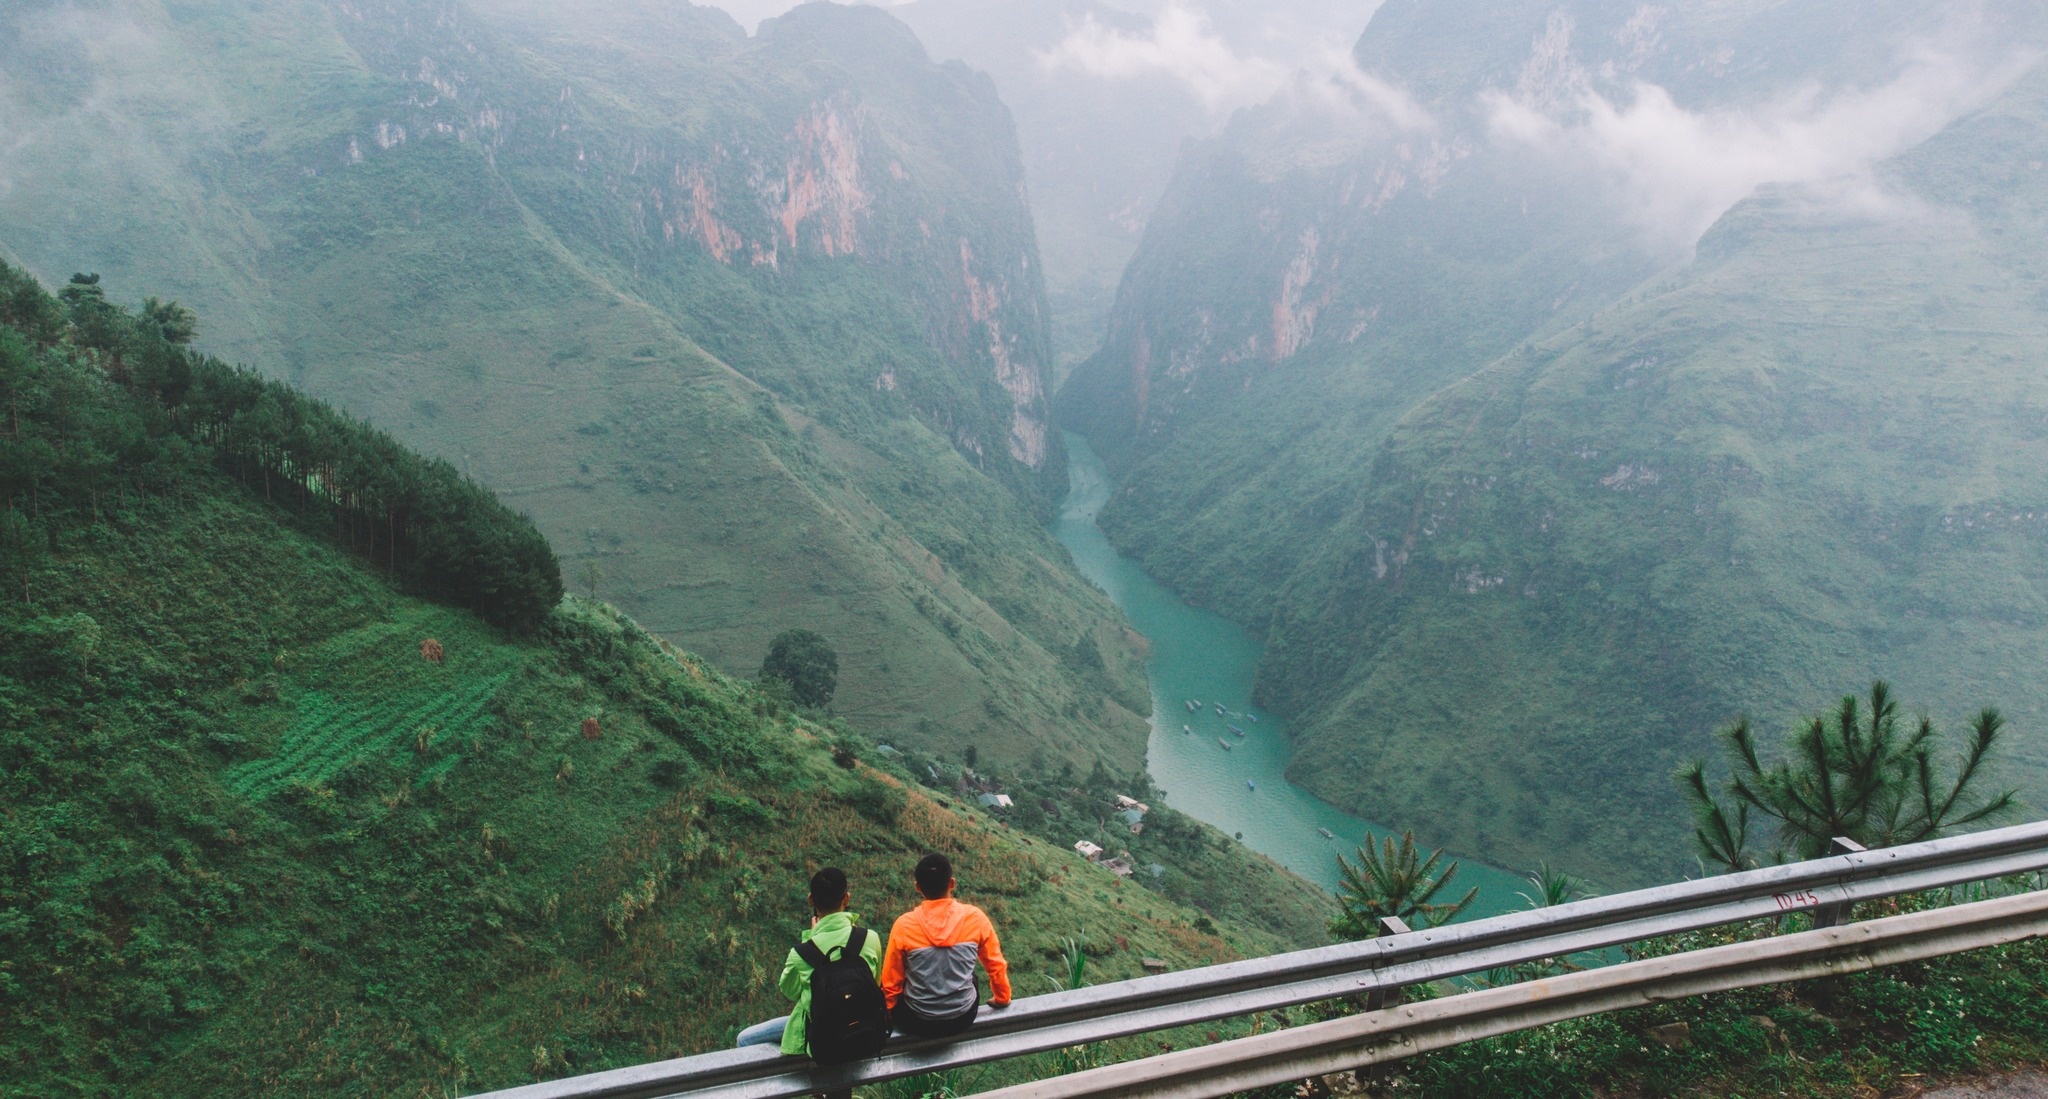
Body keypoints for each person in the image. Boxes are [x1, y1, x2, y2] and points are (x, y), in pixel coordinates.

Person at [735, 867, 883, 1061]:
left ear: (811, 899)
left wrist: (812, 939)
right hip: (863, 1031)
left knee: (744, 1038)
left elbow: (790, 991)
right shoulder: (871, 938)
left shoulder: (800, 953)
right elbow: (875, 982)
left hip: (823, 1040)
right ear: (846, 898)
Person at [879, 853, 1011, 1039]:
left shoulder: (904, 925)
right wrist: (1002, 998)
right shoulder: (975, 917)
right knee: (972, 977)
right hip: (962, 1018)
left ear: (918, 887)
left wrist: (888, 1011)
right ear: (952, 883)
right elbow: (995, 964)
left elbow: (891, 980)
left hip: (917, 1020)